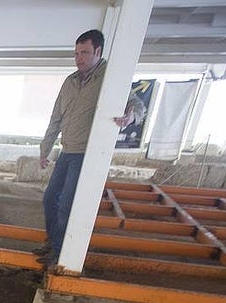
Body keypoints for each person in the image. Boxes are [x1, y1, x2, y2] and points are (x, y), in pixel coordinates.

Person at [36, 29, 145, 267]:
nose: (79, 58)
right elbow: (55, 118)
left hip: (86, 154)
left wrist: (130, 116)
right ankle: (54, 243)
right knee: (49, 199)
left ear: (98, 51)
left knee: (66, 204)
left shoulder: (111, 78)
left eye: (84, 52)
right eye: (76, 53)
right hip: (67, 151)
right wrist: (45, 149)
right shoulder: (70, 81)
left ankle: (62, 254)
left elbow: (137, 105)